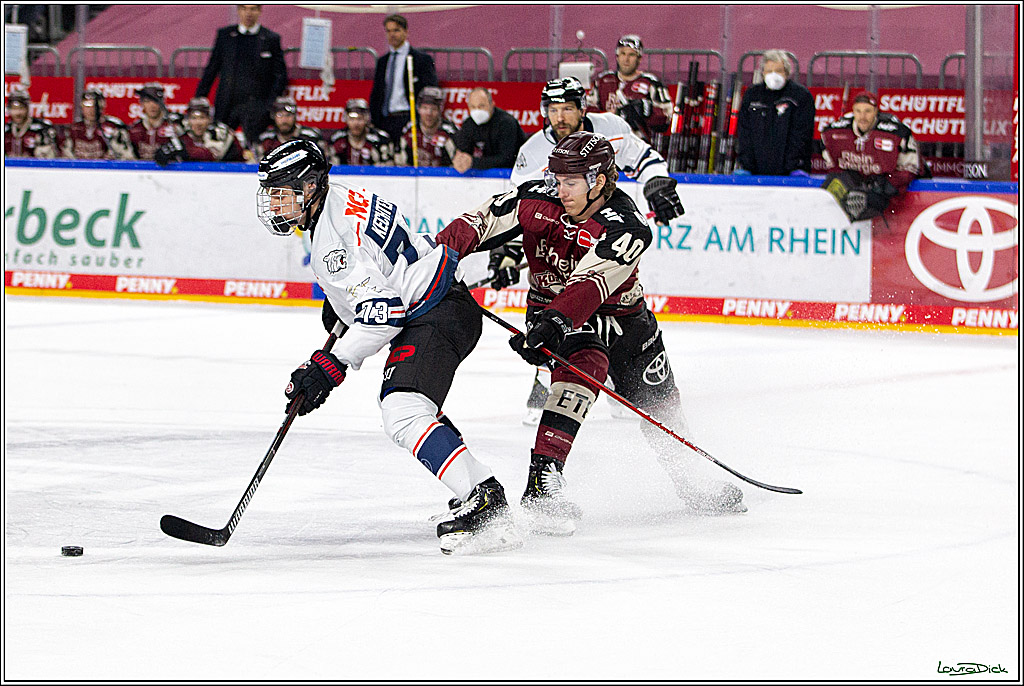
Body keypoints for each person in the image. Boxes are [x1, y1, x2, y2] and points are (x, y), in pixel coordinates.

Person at [436, 131, 746, 535]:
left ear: (598, 181)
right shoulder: (536, 198)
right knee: (585, 362)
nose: (559, 190)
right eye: (556, 180)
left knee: (662, 406)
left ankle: (689, 481)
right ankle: (542, 482)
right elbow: (476, 223)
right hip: (556, 313)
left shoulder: (627, 225)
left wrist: (552, 323)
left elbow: (590, 284)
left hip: (623, 319)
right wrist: (436, 262)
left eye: (570, 183)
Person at [255, 139, 522, 555]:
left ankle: (484, 498)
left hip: (434, 314)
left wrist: (331, 364)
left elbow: (385, 312)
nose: (275, 205)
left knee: (403, 411)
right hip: (443, 302)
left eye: (282, 194)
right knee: (415, 410)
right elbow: (378, 266)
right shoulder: (340, 197)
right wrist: (344, 304)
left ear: (309, 189)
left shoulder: (332, 241)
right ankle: (477, 488)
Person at [502, 76, 685, 423]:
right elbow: (520, 208)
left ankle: (621, 379)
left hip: (603, 227)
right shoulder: (532, 153)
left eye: (567, 109)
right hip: (559, 236)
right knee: (560, 303)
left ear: (582, 107)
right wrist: (511, 251)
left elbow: (643, 157)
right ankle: (547, 377)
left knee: (611, 300)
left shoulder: (611, 128)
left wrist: (657, 180)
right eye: (552, 110)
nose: (560, 117)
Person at [820, 91, 925, 223]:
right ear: (853, 111)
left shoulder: (896, 132)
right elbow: (833, 168)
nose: (862, 117)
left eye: (868, 111)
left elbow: (911, 168)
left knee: (877, 200)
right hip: (855, 182)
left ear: (876, 111)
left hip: (885, 190)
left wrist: (883, 186)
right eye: (858, 111)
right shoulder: (834, 132)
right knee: (830, 190)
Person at [195, 4, 288, 144]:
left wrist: (269, 105)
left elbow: (280, 75)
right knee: (219, 145)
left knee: (255, 147)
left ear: (259, 11)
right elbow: (212, 68)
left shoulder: (270, 39)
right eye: (244, 8)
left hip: (257, 107)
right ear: (238, 10)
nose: (248, 13)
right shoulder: (225, 35)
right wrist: (199, 98)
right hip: (227, 105)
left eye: (253, 8)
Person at [734, 49, 814, 176]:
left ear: (787, 73)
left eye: (778, 71)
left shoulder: (800, 96)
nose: (773, 75)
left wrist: (795, 166)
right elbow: (745, 131)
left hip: (790, 170)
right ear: (763, 73)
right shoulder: (752, 95)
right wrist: (746, 164)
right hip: (756, 169)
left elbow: (802, 134)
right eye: (769, 71)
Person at [369, 14, 438, 144]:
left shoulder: (422, 60)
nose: (392, 35)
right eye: (388, 31)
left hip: (408, 118)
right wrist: (375, 119)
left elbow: (429, 92)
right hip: (385, 119)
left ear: (406, 32)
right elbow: (377, 92)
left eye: (396, 30)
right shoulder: (383, 61)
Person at [589, 34, 672, 143]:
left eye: (631, 55)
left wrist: (648, 110)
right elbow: (587, 111)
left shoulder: (651, 83)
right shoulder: (603, 81)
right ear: (617, 56)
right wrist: (606, 115)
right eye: (623, 54)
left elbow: (666, 117)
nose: (626, 59)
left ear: (639, 58)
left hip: (638, 144)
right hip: (606, 142)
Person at [452, 86, 527, 173]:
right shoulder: (468, 125)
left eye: (482, 106)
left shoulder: (506, 123)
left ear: (492, 104)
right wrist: (460, 161)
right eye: (473, 107)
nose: (477, 111)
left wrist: (474, 162)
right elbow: (463, 152)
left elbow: (507, 159)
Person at [155, 97, 245, 165]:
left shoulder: (221, 133)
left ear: (210, 119)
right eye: (194, 118)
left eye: (202, 118)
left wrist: (185, 151)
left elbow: (212, 156)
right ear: (188, 120)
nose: (198, 123)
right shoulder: (181, 134)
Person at [58, 88, 134, 160]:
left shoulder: (114, 128)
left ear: (102, 106)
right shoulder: (73, 129)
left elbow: (126, 157)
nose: (91, 110)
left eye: (95, 106)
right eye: (88, 106)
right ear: (82, 106)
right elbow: (65, 157)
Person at [394, 86, 458, 167]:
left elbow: (458, 162)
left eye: (433, 109)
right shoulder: (409, 130)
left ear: (440, 110)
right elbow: (399, 163)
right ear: (419, 109)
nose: (429, 113)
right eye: (425, 108)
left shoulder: (449, 132)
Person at [253, 95, 325, 161]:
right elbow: (256, 165)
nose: (284, 120)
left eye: (288, 115)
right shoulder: (266, 139)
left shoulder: (310, 137)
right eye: (280, 115)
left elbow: (326, 162)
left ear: (295, 116)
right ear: (273, 117)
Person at [328, 98, 394, 166]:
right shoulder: (337, 140)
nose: (356, 123)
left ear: (367, 119)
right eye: (352, 119)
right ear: (346, 119)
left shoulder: (380, 140)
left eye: (360, 118)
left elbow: (388, 168)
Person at [128, 83, 183, 161]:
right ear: (142, 103)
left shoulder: (173, 128)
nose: (152, 105)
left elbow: (183, 156)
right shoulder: (134, 129)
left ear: (162, 103)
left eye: (156, 101)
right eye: (147, 101)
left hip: (168, 171)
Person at [4, 86, 57, 158]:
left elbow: (50, 158)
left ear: (28, 108)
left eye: (21, 108)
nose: (18, 113)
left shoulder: (41, 128)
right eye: (14, 109)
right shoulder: (6, 129)